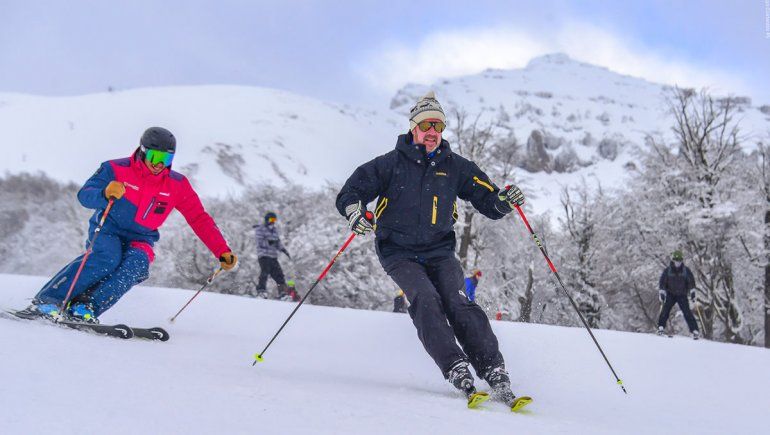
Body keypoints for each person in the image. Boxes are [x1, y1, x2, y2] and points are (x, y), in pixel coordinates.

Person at [335, 91, 529, 409]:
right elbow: (351, 191)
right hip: (397, 251)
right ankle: (455, 367)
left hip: (439, 251)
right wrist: (356, 212)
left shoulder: (455, 167)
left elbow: (489, 202)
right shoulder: (389, 164)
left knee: (459, 301)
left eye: (438, 125)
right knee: (426, 299)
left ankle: (494, 371)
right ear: (413, 127)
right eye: (426, 124)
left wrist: (504, 200)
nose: (432, 131)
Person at [29, 127, 237, 322]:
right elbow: (84, 195)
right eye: (155, 157)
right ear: (143, 151)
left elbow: (199, 218)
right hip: (108, 229)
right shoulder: (115, 168)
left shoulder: (177, 185)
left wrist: (221, 250)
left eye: (166, 158)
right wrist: (104, 193)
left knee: (136, 266)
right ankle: (49, 300)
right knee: (107, 258)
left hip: (141, 237)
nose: (159, 164)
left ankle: (86, 306)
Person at [657, 250, 700, 339]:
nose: (678, 263)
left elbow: (691, 282)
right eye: (676, 260)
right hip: (670, 294)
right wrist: (662, 292)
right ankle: (661, 327)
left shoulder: (685, 270)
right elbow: (662, 282)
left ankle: (694, 330)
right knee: (665, 310)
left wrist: (692, 292)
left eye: (679, 260)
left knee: (687, 312)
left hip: (682, 295)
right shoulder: (668, 270)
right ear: (673, 260)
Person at [253, 211, 291, 299]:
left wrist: (283, 250)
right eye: (271, 219)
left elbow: (278, 242)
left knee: (279, 274)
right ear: (267, 219)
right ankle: (261, 291)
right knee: (265, 272)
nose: (273, 221)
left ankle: (283, 293)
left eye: (274, 219)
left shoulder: (274, 230)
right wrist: (269, 242)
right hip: (264, 255)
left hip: (273, 256)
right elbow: (260, 242)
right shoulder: (260, 229)